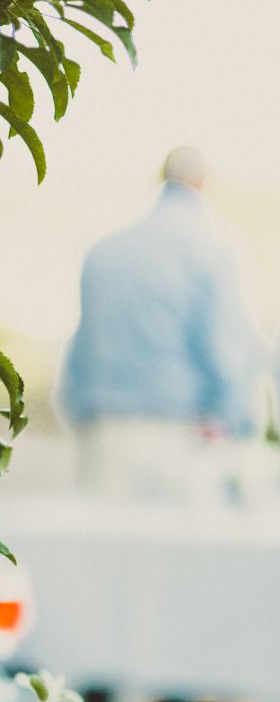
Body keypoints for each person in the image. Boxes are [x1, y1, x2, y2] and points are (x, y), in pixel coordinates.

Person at [59, 147, 261, 504]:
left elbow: (80, 346)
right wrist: (239, 425)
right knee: (179, 556)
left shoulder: (104, 251)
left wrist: (79, 416)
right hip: (179, 435)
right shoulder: (213, 248)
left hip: (103, 432)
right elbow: (221, 348)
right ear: (203, 183)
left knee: (104, 553)